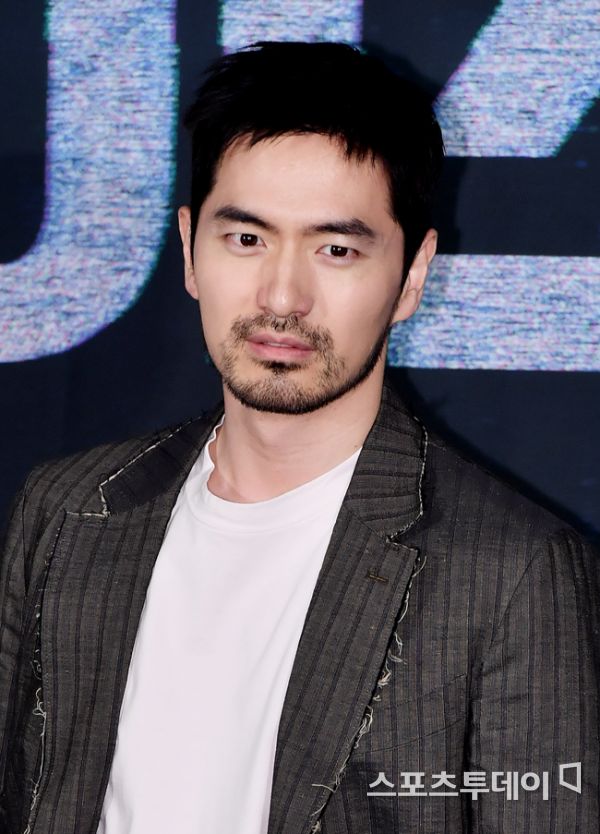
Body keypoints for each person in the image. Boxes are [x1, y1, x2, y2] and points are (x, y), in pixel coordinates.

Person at [0, 41, 598, 834]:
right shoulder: (66, 508)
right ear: (190, 249)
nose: (282, 298)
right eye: (247, 240)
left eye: (336, 249)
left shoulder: (513, 571)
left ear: (412, 275)